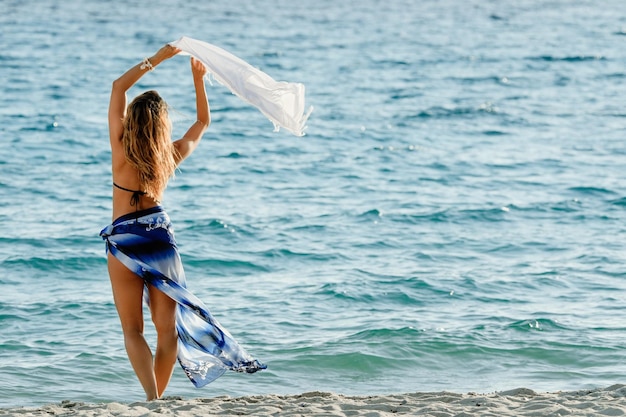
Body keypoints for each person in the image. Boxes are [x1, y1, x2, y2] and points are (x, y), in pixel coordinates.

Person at [101, 44, 265, 401]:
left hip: (125, 239)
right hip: (159, 240)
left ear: (131, 120)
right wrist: (197, 77)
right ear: (162, 126)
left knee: (132, 329)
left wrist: (158, 59)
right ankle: (153, 402)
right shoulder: (169, 155)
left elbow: (118, 86)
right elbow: (202, 122)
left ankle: (152, 398)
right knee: (166, 333)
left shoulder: (119, 148)